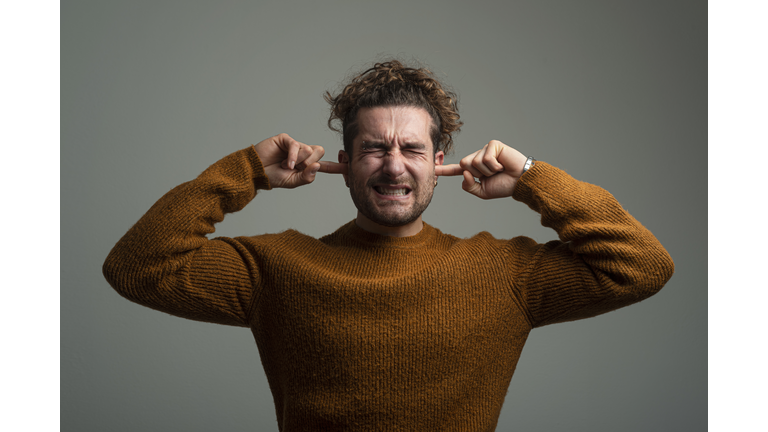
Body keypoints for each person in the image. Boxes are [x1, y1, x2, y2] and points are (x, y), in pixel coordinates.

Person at [103, 60, 674, 431]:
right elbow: (136, 267)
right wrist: (246, 169)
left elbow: (642, 266)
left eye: (413, 149)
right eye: (375, 149)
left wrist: (531, 179)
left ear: (440, 162)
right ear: (345, 165)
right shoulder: (276, 268)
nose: (394, 165)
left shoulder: (502, 272)